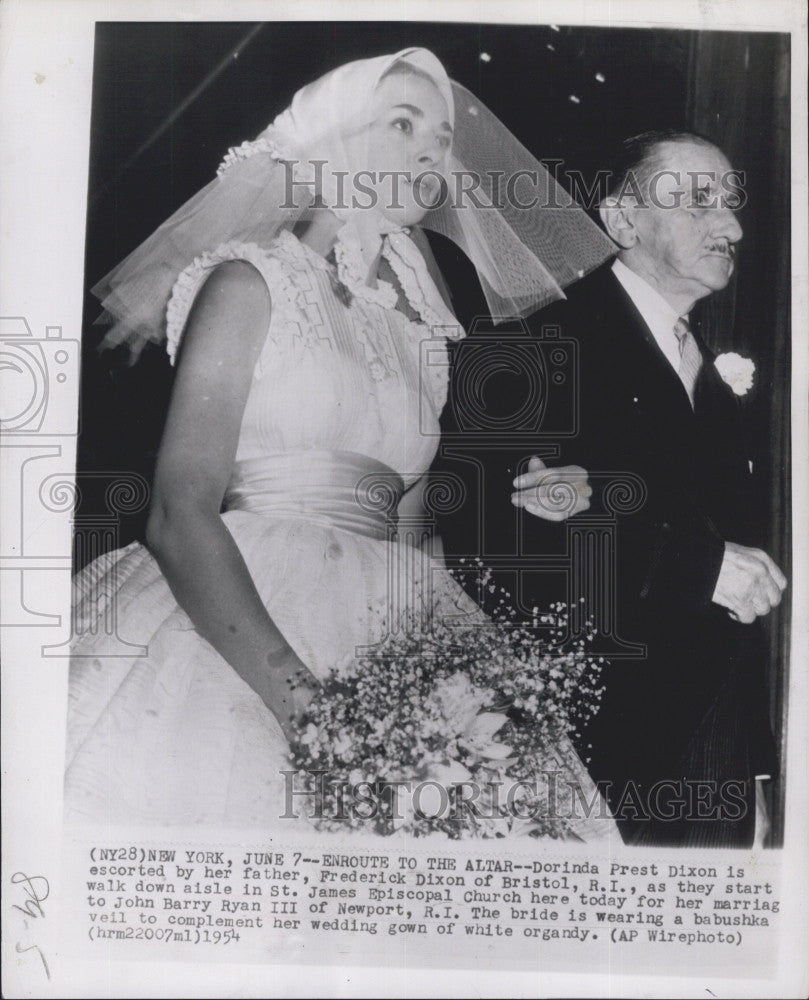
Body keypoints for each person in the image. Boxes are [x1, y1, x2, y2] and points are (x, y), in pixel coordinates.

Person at [65, 48, 617, 832]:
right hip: (241, 622)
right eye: (402, 123)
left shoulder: (424, 335)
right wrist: (305, 706)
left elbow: (415, 543)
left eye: (440, 132)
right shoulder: (246, 284)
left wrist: (442, 692)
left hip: (389, 630)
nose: (432, 147)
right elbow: (177, 512)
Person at [450, 130, 786, 847]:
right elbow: (491, 547)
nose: (729, 226)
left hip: (713, 761)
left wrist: (751, 769)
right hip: (593, 762)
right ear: (623, 219)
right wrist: (697, 568)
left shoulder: (720, 388)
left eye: (729, 204)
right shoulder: (531, 348)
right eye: (698, 202)